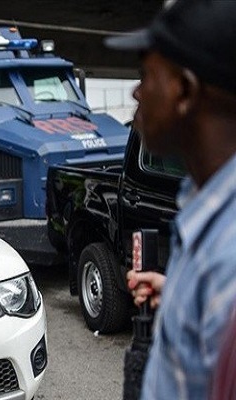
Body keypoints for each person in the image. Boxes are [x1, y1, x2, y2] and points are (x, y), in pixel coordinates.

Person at [104, 0, 236, 398]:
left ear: (184, 92)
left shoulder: (229, 263)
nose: (136, 91)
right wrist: (182, 294)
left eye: (147, 75)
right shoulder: (207, 210)